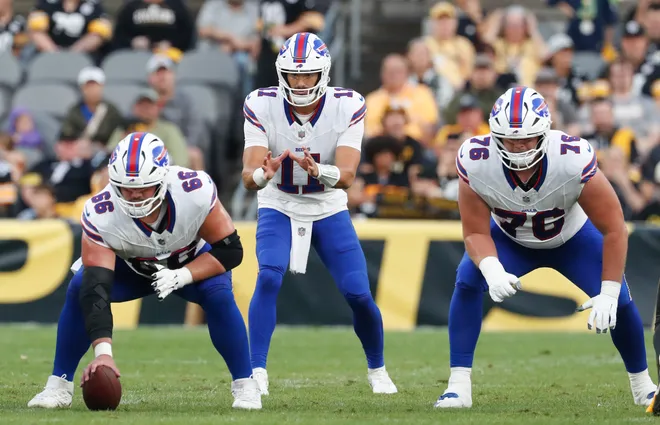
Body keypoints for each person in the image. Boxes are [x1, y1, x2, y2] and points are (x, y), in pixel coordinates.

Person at [434, 87, 656, 409]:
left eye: (526, 138)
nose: (519, 147)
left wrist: (607, 292)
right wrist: (492, 268)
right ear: (495, 135)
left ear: (545, 132)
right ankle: (457, 385)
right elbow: (474, 231)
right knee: (468, 279)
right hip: (510, 241)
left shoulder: (572, 157)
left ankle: (642, 385)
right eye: (510, 140)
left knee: (619, 302)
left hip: (572, 239)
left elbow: (615, 228)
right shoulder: (476, 159)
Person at [27, 132, 261, 410]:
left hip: (189, 263)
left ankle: (246, 385)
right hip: (132, 268)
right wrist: (103, 353)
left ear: (162, 180)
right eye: (127, 188)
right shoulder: (100, 212)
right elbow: (96, 288)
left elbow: (231, 250)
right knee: (80, 285)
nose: (136, 195)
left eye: (145, 187)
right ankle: (59, 385)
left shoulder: (194, 191)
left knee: (219, 294)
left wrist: (182, 275)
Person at [241, 32, 397, 396]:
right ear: (281, 74)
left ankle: (377, 368)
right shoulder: (261, 104)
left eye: (307, 74)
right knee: (268, 276)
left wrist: (318, 171)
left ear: (323, 73)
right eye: (293, 75)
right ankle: (256, 371)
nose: (299, 82)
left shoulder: (347, 105)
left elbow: (346, 177)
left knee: (358, 292)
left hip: (327, 204)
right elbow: (250, 176)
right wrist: (265, 172)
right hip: (279, 201)